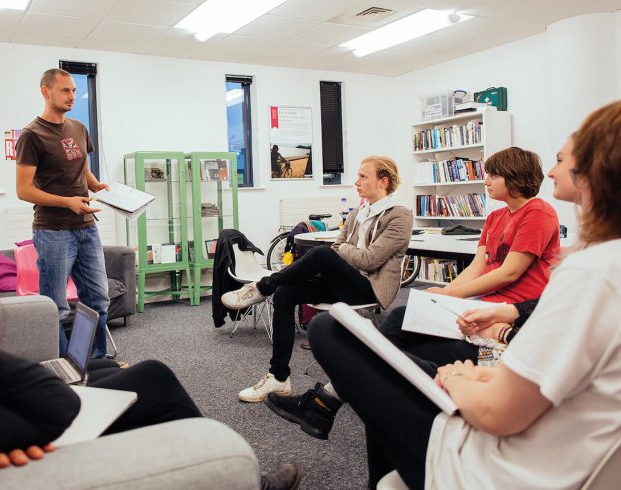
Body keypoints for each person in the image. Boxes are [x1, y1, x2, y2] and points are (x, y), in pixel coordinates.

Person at [0, 201, 301, 489]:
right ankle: (229, 477)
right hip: (47, 436)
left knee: (117, 371)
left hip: (0, 416)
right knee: (149, 376)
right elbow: (53, 408)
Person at [307, 101, 621, 489]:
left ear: (595, 170)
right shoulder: (592, 264)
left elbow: (498, 411)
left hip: (484, 462)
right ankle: (332, 400)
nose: (552, 171)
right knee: (396, 334)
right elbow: (483, 272)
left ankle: (328, 398)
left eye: (561, 160)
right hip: (493, 336)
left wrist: (458, 377)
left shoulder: (589, 269)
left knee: (332, 330)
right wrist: (448, 294)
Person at [266, 146, 568, 440]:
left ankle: (324, 401)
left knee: (397, 324)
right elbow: (479, 266)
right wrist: (445, 292)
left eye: (493, 175)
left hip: (503, 310)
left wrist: (450, 296)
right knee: (400, 324)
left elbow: (509, 272)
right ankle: (324, 403)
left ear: (514, 177)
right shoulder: (496, 217)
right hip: (478, 305)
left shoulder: (538, 212)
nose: (486, 181)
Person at [223, 156, 413, 402]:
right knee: (285, 293)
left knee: (321, 253)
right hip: (343, 281)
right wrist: (344, 251)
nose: (356, 182)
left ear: (383, 181)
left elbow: (369, 260)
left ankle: (262, 286)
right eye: (357, 176)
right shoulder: (358, 213)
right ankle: (278, 378)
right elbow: (339, 246)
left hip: (369, 288)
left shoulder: (400, 216)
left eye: (363, 177)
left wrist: (344, 250)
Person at [15, 68, 110, 357]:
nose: (72, 96)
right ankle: (66, 367)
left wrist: (98, 185)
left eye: (73, 90)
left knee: (98, 301)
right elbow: (24, 190)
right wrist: (67, 201)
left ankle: (92, 361)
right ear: (45, 91)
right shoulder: (32, 135)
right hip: (53, 231)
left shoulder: (79, 128)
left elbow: (82, 167)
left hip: (86, 228)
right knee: (56, 307)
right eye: (65, 90)